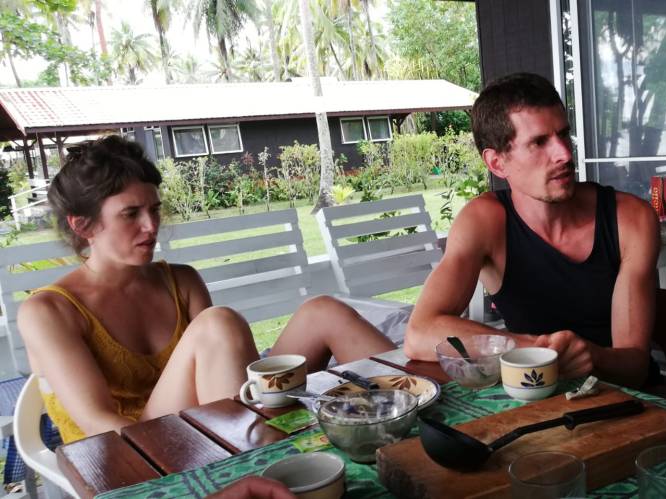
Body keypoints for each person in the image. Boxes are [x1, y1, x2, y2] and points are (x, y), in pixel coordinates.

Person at [18, 135, 395, 443]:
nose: (151, 226)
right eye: (131, 214)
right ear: (83, 226)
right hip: (135, 448)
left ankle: (412, 409)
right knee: (218, 323)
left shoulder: (180, 281)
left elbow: (225, 378)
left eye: (155, 209)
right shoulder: (49, 312)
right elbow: (97, 423)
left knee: (323, 311)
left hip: (216, 418)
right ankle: (253, 461)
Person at [404, 72, 660, 387]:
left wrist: (592, 356)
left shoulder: (630, 219)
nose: (564, 154)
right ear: (497, 163)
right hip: (535, 391)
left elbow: (635, 367)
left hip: (624, 398)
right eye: (539, 142)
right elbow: (419, 334)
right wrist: (536, 351)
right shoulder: (485, 221)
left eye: (563, 135)